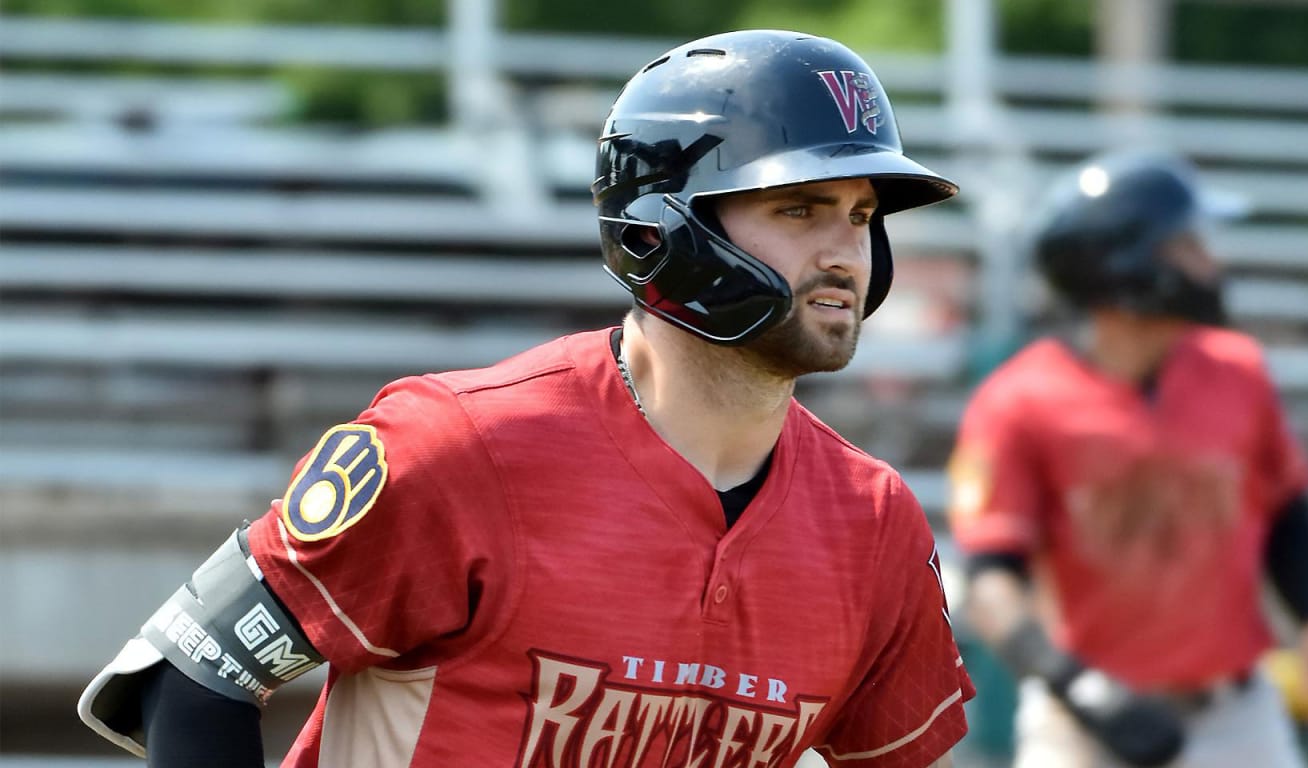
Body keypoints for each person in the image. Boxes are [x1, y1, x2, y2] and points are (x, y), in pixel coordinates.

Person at [78, 29, 974, 768]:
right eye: (799, 209)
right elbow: (191, 673)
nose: (845, 254)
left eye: (861, 217)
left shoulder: (875, 522)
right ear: (663, 232)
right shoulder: (455, 447)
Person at [945, 150, 1308, 768]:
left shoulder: (1238, 370)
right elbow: (990, 583)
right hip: (1081, 722)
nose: (1211, 263)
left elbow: (1286, 510)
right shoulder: (1018, 402)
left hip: (1235, 716)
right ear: (1128, 265)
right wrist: (1079, 688)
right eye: (1187, 245)